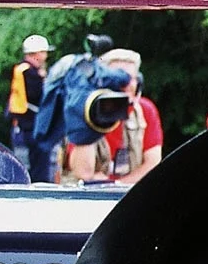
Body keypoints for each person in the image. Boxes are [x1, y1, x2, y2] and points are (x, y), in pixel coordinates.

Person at [65, 47, 162, 185]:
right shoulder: (84, 110)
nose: (125, 83)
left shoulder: (145, 110)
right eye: (118, 77)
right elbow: (83, 173)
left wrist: (115, 185)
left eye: (131, 78)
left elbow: (153, 165)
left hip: (129, 195)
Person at [6, 34, 51, 167]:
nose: (46, 56)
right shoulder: (29, 72)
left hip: (25, 125)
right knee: (36, 168)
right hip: (30, 126)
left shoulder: (24, 69)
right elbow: (37, 96)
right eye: (43, 52)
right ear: (34, 54)